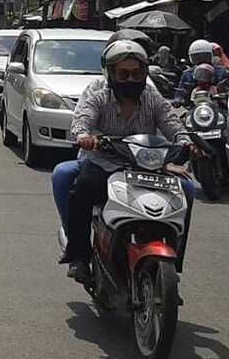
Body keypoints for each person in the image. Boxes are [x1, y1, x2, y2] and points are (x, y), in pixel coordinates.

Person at [59, 39, 195, 283]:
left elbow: (171, 122)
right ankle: (79, 255)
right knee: (82, 189)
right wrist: (84, 136)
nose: (130, 80)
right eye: (124, 74)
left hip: (147, 166)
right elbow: (82, 119)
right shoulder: (97, 93)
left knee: (187, 189)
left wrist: (185, 141)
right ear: (110, 73)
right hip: (104, 164)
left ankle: (175, 259)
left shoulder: (152, 97)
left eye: (136, 73)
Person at [176, 39, 229, 106]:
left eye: (204, 56)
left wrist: (223, 93)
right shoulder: (187, 74)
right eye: (197, 57)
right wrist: (178, 100)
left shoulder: (221, 71)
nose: (201, 60)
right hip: (193, 106)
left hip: (217, 105)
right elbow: (180, 91)